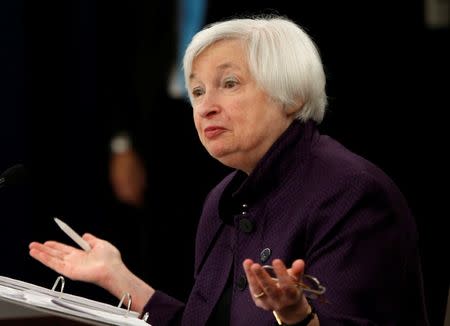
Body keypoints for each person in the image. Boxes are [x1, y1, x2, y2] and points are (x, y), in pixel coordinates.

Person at [29, 15, 430, 325]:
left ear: (289, 94)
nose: (205, 106)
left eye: (230, 83)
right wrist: (117, 277)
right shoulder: (223, 199)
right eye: (198, 91)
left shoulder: (353, 194)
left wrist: (296, 316)